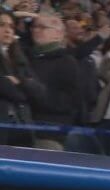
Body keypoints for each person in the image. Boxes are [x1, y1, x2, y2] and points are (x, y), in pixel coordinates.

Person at [28, 14, 81, 150]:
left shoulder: (67, 62)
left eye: (42, 27)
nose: (36, 30)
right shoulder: (26, 57)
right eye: (34, 26)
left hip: (49, 135)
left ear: (58, 34)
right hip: (23, 131)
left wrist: (37, 90)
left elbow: (70, 102)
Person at [0, 10, 45, 146]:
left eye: (11, 26)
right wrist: (24, 86)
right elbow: (6, 87)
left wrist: (19, 82)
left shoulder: (19, 56)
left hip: (23, 125)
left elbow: (40, 92)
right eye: (2, 25)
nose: (8, 30)